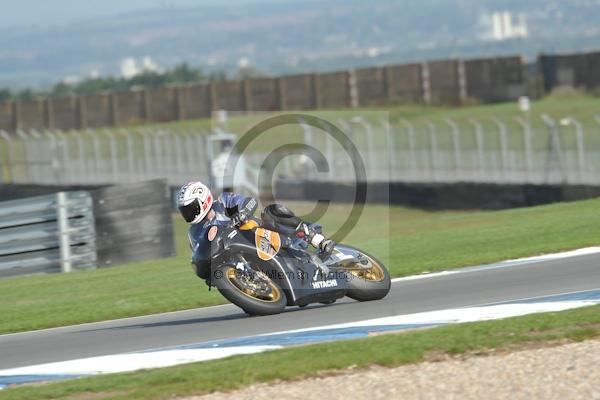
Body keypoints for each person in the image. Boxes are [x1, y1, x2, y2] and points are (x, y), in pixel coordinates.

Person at [176, 181, 335, 280]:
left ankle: (316, 239)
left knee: (270, 211)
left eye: (191, 208)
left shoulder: (223, 202)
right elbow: (200, 254)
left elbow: (250, 202)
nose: (188, 213)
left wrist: (242, 214)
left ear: (203, 200)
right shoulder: (194, 232)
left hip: (262, 235)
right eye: (185, 210)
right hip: (239, 255)